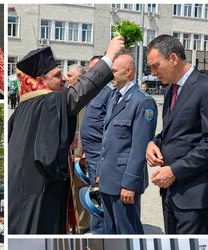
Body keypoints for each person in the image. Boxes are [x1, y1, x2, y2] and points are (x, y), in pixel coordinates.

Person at [8, 36, 125, 234]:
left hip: (22, 190)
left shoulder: (23, 108)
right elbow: (80, 93)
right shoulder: (47, 102)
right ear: (39, 81)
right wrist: (110, 56)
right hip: (39, 193)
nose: (63, 79)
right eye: (57, 75)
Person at [146, 35, 208, 234]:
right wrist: (153, 142)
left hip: (196, 196)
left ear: (173, 58)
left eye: (156, 66)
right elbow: (174, 131)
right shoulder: (170, 90)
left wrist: (174, 171)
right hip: (171, 193)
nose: (153, 73)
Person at [98, 54, 157, 234]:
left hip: (123, 182)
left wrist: (130, 184)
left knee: (127, 231)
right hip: (108, 179)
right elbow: (108, 139)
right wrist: (101, 172)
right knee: (110, 230)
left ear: (128, 71)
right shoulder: (114, 98)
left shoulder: (143, 101)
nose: (111, 75)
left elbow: (140, 149)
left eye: (114, 71)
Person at [80, 56, 115, 234]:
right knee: (95, 197)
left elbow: (109, 133)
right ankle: (97, 230)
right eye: (91, 70)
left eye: (96, 70)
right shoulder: (94, 93)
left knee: (100, 200)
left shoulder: (109, 93)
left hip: (101, 159)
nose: (91, 74)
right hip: (92, 157)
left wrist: (101, 166)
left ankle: (101, 233)